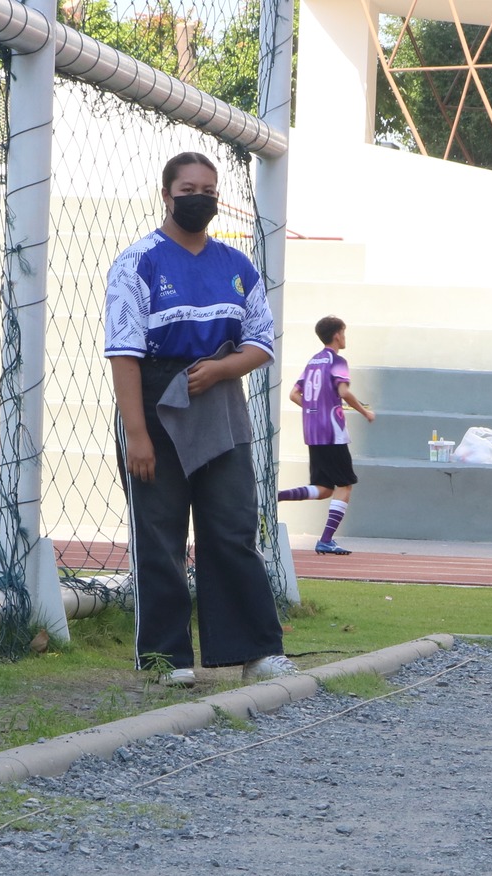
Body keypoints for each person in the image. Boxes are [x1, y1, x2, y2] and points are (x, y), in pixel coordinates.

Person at [104, 151, 295, 687]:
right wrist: (137, 435)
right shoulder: (137, 261)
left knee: (232, 528)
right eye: (188, 190)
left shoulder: (237, 265)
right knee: (159, 535)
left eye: (209, 191)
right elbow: (123, 354)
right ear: (166, 194)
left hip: (222, 403)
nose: (199, 199)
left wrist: (221, 370)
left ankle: (256, 653)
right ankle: (166, 659)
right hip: (154, 403)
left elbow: (260, 342)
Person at [278, 314, 374, 555]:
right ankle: (326, 540)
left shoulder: (313, 361)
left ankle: (275, 496)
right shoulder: (337, 361)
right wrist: (364, 411)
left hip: (312, 431)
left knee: (323, 488)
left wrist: (314, 409)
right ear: (337, 334)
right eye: (344, 332)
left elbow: (294, 394)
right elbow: (343, 391)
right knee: (345, 485)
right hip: (332, 431)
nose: (345, 337)